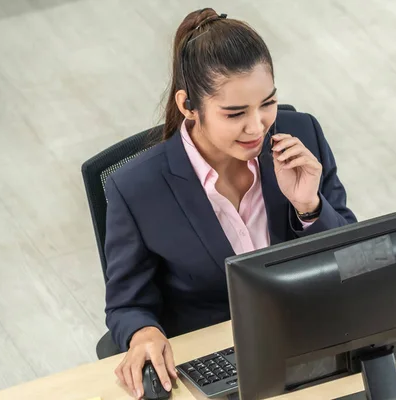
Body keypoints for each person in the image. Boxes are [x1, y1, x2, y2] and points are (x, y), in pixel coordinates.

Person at [103, 8, 357, 399]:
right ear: (189, 106)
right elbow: (127, 305)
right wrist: (144, 334)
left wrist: (310, 207)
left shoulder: (302, 135)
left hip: (313, 345)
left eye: (267, 104)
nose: (257, 126)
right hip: (218, 370)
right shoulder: (136, 188)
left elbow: (354, 261)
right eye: (235, 113)